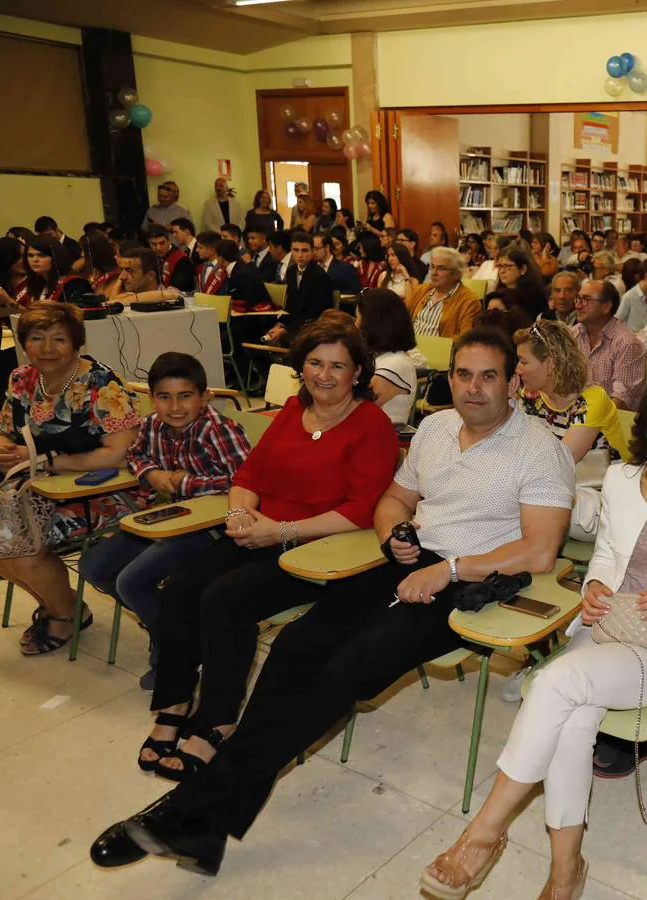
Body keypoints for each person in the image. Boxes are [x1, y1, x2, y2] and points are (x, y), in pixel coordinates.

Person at [90, 327, 573, 876]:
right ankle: (205, 830)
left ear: (514, 382)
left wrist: (450, 569)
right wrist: (395, 533)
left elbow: (539, 550)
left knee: (344, 671)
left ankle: (184, 812)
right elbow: (394, 498)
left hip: (471, 584)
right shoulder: (436, 428)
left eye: (489, 376)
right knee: (295, 647)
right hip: (404, 562)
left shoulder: (539, 448)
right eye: (464, 374)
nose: (474, 388)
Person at [422, 370, 647, 900]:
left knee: (554, 685)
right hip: (607, 626)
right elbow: (604, 553)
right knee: (572, 720)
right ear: (645, 420)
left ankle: (483, 833)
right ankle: (566, 867)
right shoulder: (621, 479)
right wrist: (595, 584)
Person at [133, 319, 400, 781]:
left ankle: (217, 719)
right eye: (315, 363)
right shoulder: (292, 412)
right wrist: (239, 516)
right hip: (262, 531)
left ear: (358, 372)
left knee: (224, 600)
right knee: (180, 588)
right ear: (301, 367)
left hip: (322, 546)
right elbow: (248, 477)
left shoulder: (372, 424)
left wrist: (280, 531)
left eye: (338, 365)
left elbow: (360, 511)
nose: (324, 374)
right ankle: (176, 702)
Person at [0, 302, 141, 655]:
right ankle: (57, 603)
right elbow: (6, 431)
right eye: (36, 338)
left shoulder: (100, 383)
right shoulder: (21, 379)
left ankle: (65, 614)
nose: (47, 348)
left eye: (59, 339)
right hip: (34, 485)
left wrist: (50, 460)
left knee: (18, 544)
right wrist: (0, 449)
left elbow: (119, 453)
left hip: (100, 490)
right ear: (24, 342)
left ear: (77, 343)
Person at [78, 353, 252, 690]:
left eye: (185, 396)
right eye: (164, 396)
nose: (174, 407)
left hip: (210, 528)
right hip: (168, 518)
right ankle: (174, 633)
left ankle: (174, 649)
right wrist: (153, 473)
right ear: (151, 398)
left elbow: (244, 480)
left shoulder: (218, 429)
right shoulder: (151, 425)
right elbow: (135, 455)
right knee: (94, 567)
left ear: (205, 397)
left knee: (131, 582)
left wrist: (184, 483)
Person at [515, 318, 629, 463]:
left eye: (523, 361)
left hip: (598, 483)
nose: (517, 369)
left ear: (550, 364)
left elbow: (560, 463)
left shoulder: (591, 401)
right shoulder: (532, 396)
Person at [572, 278, 647, 410]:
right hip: (573, 414)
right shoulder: (574, 334)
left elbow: (620, 402)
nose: (578, 305)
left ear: (606, 307)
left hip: (610, 423)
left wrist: (584, 422)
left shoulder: (627, 345)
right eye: (578, 299)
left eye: (586, 300)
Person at [355, 288, 420, 426]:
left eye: (358, 318)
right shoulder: (379, 357)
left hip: (379, 440)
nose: (355, 324)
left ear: (371, 324)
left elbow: (356, 408)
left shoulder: (397, 363)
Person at [261, 231, 333, 346]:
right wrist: (280, 324)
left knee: (283, 339)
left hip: (313, 327)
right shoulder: (291, 271)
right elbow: (290, 306)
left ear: (312, 251)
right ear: (291, 250)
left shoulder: (320, 276)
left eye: (304, 250)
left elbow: (315, 313)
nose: (300, 255)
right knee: (264, 332)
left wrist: (285, 329)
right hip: (296, 324)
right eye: (296, 250)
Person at [406, 246, 481, 338]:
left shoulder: (469, 302)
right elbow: (404, 321)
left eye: (441, 268)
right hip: (410, 347)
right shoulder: (421, 290)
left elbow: (464, 339)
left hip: (439, 350)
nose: (434, 273)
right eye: (432, 267)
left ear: (456, 273)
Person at [11, 236, 88, 306]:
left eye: (41, 255)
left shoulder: (74, 283)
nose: (35, 260)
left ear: (55, 257)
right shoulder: (38, 282)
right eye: (30, 255)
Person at [147, 225, 195, 293]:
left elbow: (177, 288)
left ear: (169, 241)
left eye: (162, 243)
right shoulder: (151, 258)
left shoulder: (182, 259)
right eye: (154, 244)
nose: (158, 248)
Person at [312, 230, 363, 294]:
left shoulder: (345, 268)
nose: (313, 252)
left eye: (317, 248)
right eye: (312, 248)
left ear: (327, 247)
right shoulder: (311, 268)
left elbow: (357, 292)